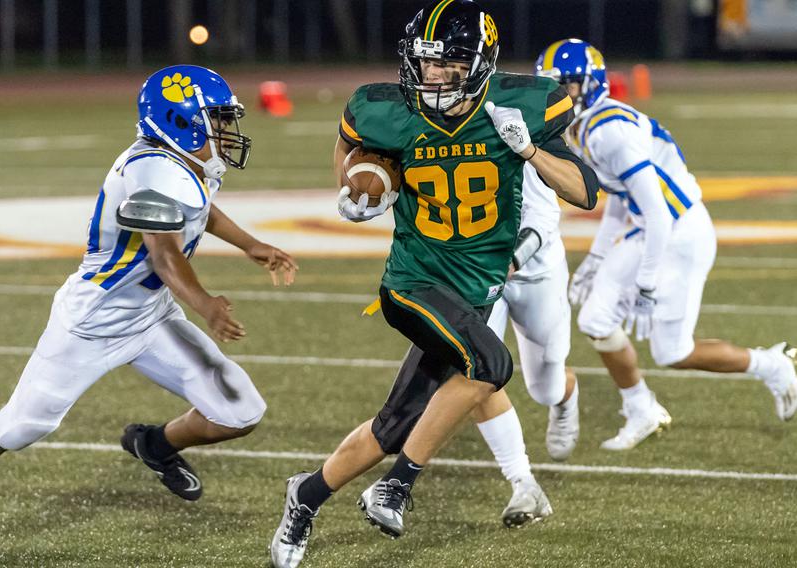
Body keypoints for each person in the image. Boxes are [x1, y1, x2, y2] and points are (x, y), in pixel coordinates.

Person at [0, 65, 298, 563]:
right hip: (93, 321)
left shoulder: (185, 163)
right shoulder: (152, 170)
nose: (225, 130)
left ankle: (152, 444)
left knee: (240, 411)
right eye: (215, 119)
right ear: (182, 123)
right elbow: (164, 253)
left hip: (150, 315)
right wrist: (206, 305)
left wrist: (252, 245)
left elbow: (202, 210)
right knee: (22, 426)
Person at [269, 3, 599, 567]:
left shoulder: (522, 104)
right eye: (425, 62)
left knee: (392, 426)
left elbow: (585, 190)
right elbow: (348, 142)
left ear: (479, 63)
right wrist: (351, 189)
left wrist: (528, 150)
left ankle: (306, 496)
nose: (432, 75)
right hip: (413, 283)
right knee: (492, 367)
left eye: (448, 63)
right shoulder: (384, 109)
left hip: (475, 291)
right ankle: (397, 487)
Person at [536, 39, 797, 450]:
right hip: (655, 229)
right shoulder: (587, 126)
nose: (556, 96)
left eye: (564, 86)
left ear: (588, 84)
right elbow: (624, 201)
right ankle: (641, 408)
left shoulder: (608, 132)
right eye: (550, 86)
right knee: (595, 320)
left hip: (679, 232)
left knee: (673, 351)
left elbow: (657, 212)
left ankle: (771, 365)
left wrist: (646, 284)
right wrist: (595, 259)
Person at [471, 161, 581, 528]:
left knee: (545, 389)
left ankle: (565, 395)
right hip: (475, 272)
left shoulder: (510, 128)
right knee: (474, 371)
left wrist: (512, 258)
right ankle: (523, 482)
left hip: (535, 272)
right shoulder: (440, 129)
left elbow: (545, 213)